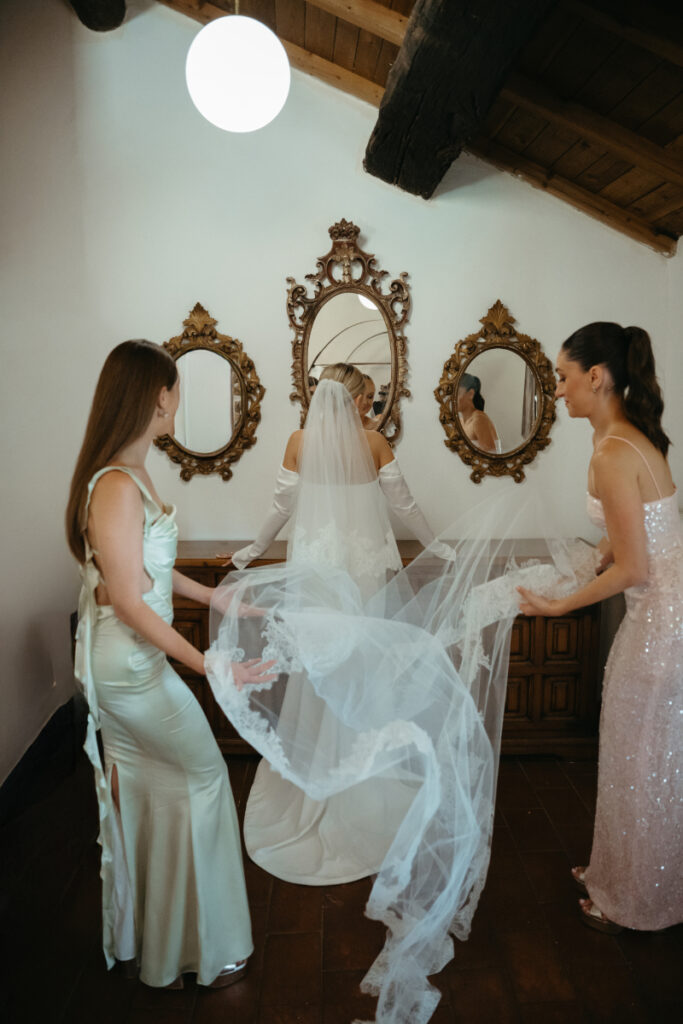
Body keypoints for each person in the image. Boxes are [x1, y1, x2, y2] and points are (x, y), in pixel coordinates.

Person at [207, 360, 549, 1024]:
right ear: (358, 399)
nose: (368, 407)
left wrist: (251, 550)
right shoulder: (374, 441)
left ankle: (319, 782)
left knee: (321, 675)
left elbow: (280, 506)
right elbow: (404, 507)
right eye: (367, 398)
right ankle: (363, 780)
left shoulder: (297, 441)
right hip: (363, 574)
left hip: (314, 570)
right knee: (364, 674)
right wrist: (441, 552)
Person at [66, 340, 275, 989]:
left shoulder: (128, 475)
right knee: (207, 780)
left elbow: (147, 571)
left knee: (155, 794)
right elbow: (128, 601)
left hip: (133, 663)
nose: (178, 401)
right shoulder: (117, 485)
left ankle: (155, 942)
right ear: (158, 396)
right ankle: (206, 948)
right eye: (176, 390)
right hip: (131, 670)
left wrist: (211, 595)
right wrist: (210, 664)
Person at [517, 322, 682, 934]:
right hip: (663, 613)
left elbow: (636, 563)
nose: (557, 391)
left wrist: (560, 607)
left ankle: (637, 899)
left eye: (562, 377)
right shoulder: (628, 439)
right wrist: (595, 558)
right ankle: (623, 870)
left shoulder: (614, 451)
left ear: (596, 376)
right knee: (638, 754)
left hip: (663, 625)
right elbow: (634, 542)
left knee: (642, 761)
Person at [457, 372, 502, 453]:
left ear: (470, 394)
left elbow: (492, 455)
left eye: (458, 393)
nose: (453, 399)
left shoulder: (479, 420)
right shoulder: (460, 421)